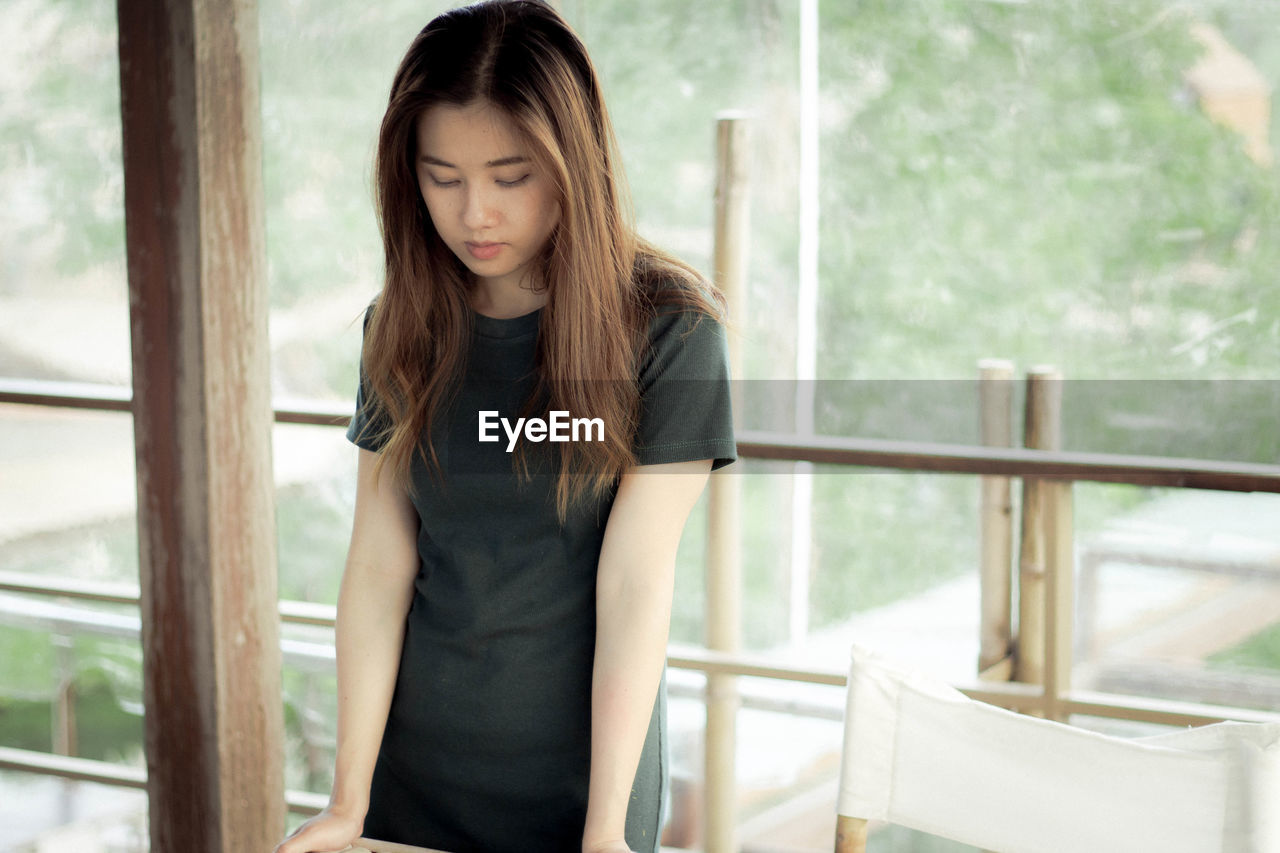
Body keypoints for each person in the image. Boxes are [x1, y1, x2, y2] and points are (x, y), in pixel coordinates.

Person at [273, 2, 736, 852]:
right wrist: (346, 801)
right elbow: (379, 567)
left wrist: (605, 830)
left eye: (510, 176)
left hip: (581, 792)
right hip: (413, 780)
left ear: (573, 163)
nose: (474, 213)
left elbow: (635, 587)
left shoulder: (670, 331)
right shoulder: (403, 325)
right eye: (442, 177)